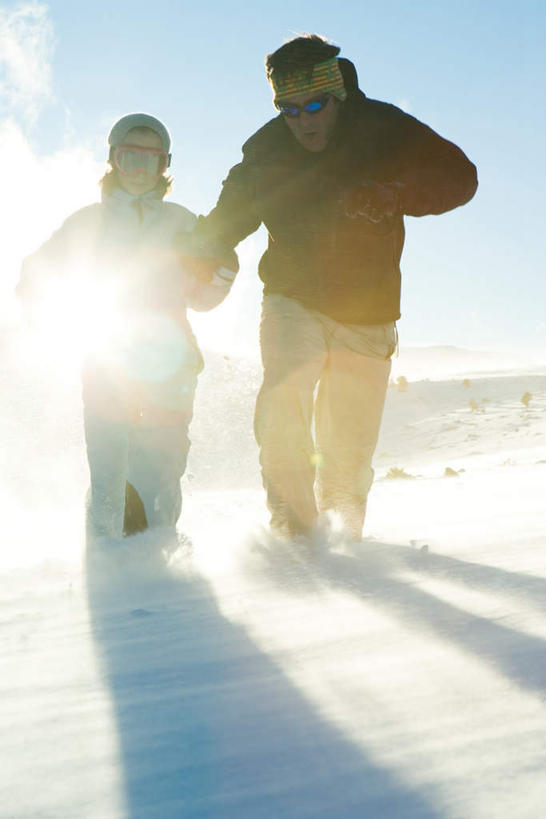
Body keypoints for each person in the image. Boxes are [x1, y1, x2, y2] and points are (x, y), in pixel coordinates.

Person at [179, 34, 478, 541]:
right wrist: (200, 249)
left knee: (348, 447)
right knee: (283, 398)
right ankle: (294, 530)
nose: (303, 120)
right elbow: (230, 214)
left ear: (335, 94)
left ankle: (342, 540)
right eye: (289, 109)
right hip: (293, 297)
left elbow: (460, 177)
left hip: (369, 310)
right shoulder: (268, 148)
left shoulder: (383, 128)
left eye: (314, 105)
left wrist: (394, 194)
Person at [17, 113, 236, 541]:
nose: (138, 170)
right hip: (106, 359)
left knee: (162, 460)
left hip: (171, 362)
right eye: (128, 156)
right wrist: (42, 313)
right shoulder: (88, 222)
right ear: (113, 160)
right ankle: (106, 551)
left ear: (164, 167)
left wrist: (222, 272)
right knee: (109, 460)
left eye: (150, 161)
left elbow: (203, 298)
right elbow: (36, 274)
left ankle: (157, 550)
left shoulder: (181, 222)